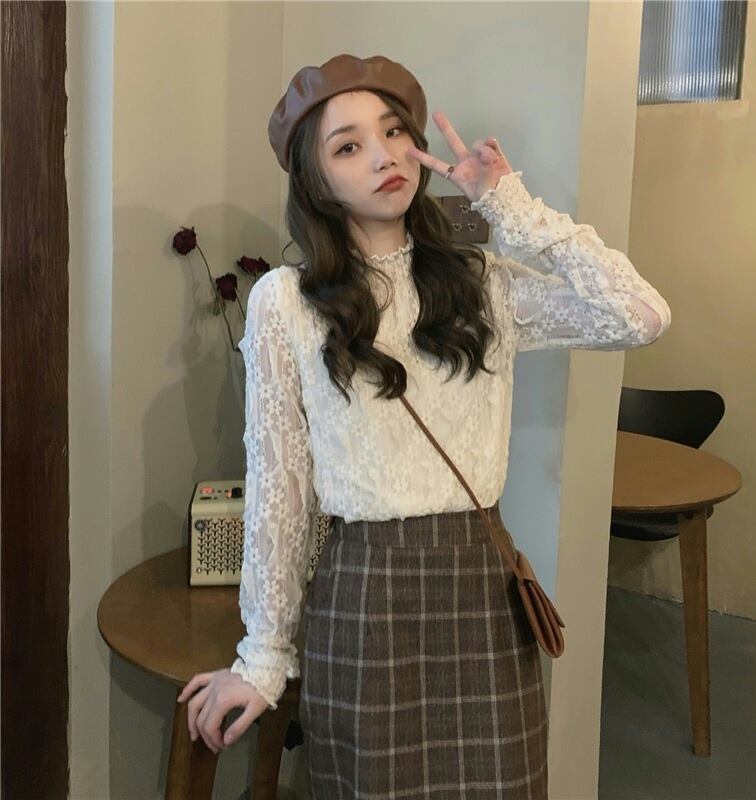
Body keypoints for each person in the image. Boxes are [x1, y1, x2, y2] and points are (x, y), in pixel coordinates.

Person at [177, 53, 671, 798]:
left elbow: (640, 316)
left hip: (481, 587)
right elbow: (281, 488)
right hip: (363, 597)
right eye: (349, 146)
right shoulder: (286, 303)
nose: (383, 156)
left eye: (394, 132)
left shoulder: (481, 283)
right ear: (317, 181)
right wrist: (263, 657)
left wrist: (511, 208)